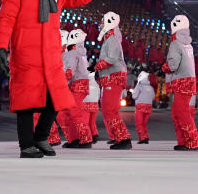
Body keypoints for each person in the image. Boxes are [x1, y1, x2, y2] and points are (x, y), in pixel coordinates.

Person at [0, 0, 103, 158]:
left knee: (55, 99)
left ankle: (41, 137)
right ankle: (26, 145)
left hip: (51, 55)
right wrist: (0, 49)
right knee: (26, 103)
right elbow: (6, 21)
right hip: (27, 54)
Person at [93, 11, 132, 149]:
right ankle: (117, 136)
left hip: (113, 77)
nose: (100, 24)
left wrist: (96, 66)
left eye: (103, 21)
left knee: (110, 110)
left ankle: (124, 139)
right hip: (109, 77)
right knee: (106, 109)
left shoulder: (112, 39)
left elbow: (112, 58)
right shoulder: (109, 39)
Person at [163, 14, 198, 151]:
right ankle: (183, 141)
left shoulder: (175, 43)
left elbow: (172, 65)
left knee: (181, 113)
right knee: (178, 112)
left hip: (181, 80)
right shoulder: (188, 44)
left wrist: (163, 67)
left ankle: (192, 141)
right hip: (189, 80)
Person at [61, 29, 93, 148]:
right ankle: (75, 138)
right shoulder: (81, 54)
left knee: (74, 113)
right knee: (71, 112)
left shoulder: (72, 53)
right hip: (82, 85)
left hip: (76, 84)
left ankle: (85, 139)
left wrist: (61, 81)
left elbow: (70, 71)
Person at [131, 70, 155, 144]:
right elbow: (153, 96)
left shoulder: (139, 86)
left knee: (139, 123)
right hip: (148, 106)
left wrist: (133, 92)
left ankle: (142, 138)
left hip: (140, 106)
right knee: (144, 123)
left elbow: (134, 96)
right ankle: (146, 137)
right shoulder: (150, 87)